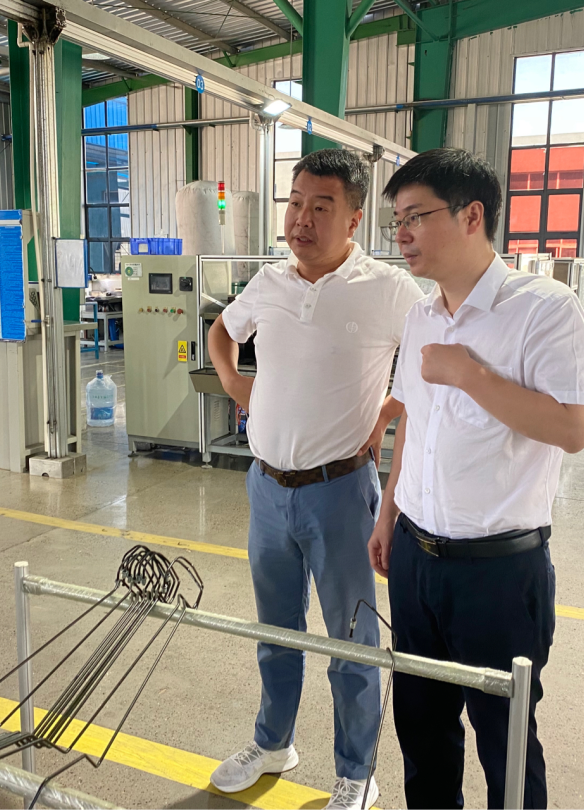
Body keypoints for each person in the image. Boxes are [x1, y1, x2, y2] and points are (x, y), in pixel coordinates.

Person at [368, 148, 584, 810]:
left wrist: (471, 374)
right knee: (421, 728)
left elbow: (571, 428)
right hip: (416, 559)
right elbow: (415, 425)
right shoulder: (420, 316)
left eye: (416, 216)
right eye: (397, 221)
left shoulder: (544, 309)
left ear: (471, 216)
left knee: (506, 739)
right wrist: (388, 513)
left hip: (498, 573)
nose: (402, 234)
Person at [207, 149, 424, 810]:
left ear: (354, 218)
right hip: (266, 488)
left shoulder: (389, 290)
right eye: (295, 203)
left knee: (352, 641)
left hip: (339, 493)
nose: (301, 218)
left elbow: (429, 372)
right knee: (276, 631)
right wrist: (235, 383)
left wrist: (386, 412)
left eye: (320, 206)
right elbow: (222, 332)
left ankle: (357, 771)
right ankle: (273, 743)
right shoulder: (269, 281)